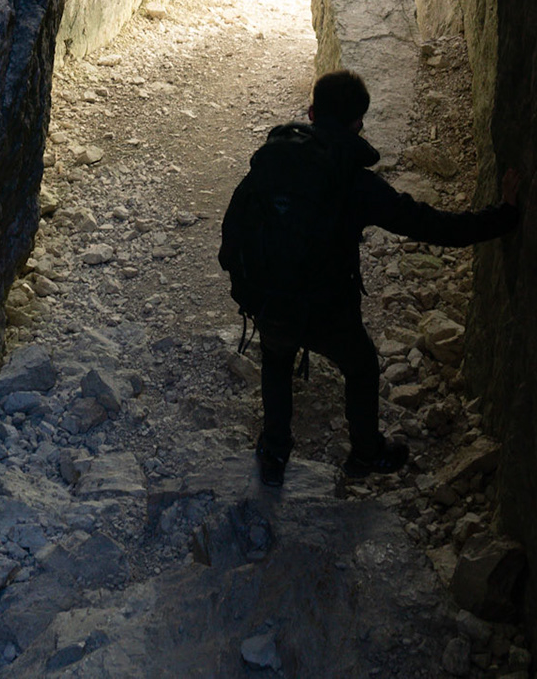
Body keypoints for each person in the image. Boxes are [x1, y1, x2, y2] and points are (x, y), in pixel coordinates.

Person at [221, 69, 521, 487]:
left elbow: (235, 226)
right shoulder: (354, 182)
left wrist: (249, 287)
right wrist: (504, 215)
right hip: (326, 308)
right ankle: (365, 453)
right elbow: (429, 225)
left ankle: (273, 450)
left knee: (276, 360)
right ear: (358, 123)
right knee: (360, 366)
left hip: (269, 298)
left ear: (311, 112)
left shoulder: (274, 159)